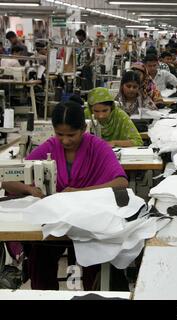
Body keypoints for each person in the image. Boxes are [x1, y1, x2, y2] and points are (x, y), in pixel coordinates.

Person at [2, 101, 128, 290]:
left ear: (84, 129)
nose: (65, 140)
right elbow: (9, 178)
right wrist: (29, 189)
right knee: (40, 256)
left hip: (89, 221)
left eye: (71, 135)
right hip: (56, 220)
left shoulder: (97, 147)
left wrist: (79, 193)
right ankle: (45, 295)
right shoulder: (51, 146)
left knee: (93, 260)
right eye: (60, 134)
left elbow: (121, 182)